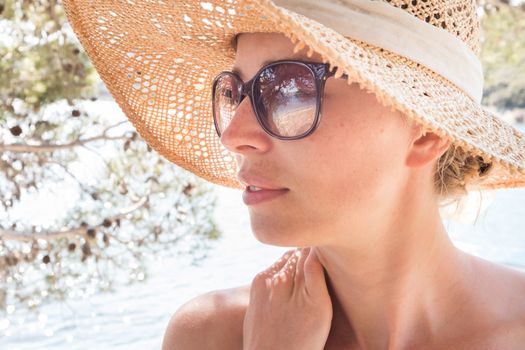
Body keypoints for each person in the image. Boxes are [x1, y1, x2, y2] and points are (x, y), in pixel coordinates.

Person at [61, 0, 525, 348]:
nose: (234, 134)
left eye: (289, 89)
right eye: (235, 92)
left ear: (424, 129)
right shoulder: (212, 335)